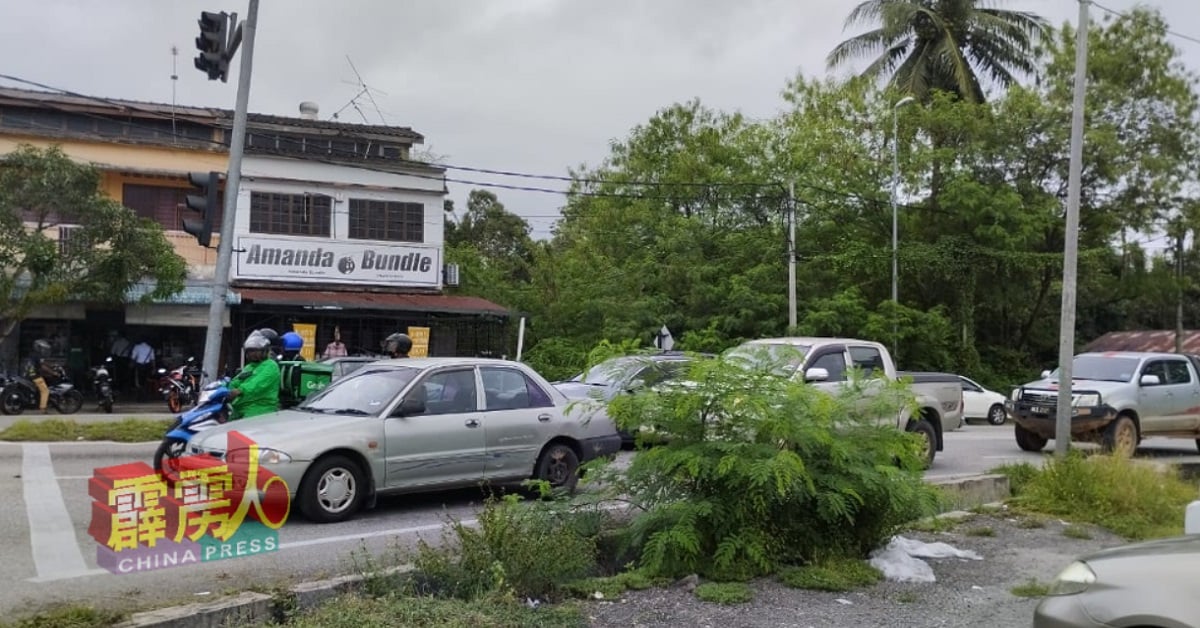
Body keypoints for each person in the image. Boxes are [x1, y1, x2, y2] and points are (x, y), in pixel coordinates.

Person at [227, 332, 281, 420]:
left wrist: (240, 390)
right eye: (249, 351)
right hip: (242, 407)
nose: (252, 354)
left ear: (264, 350)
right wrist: (226, 387)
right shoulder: (250, 366)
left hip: (259, 407)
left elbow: (257, 383)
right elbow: (238, 380)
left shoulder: (271, 366)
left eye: (255, 351)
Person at [26, 339, 57, 414]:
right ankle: (43, 408)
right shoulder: (38, 355)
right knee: (45, 391)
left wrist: (51, 365)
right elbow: (43, 366)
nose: (43, 350)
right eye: (42, 348)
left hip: (29, 374)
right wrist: (53, 372)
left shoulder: (33, 354)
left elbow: (42, 364)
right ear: (38, 348)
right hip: (35, 376)